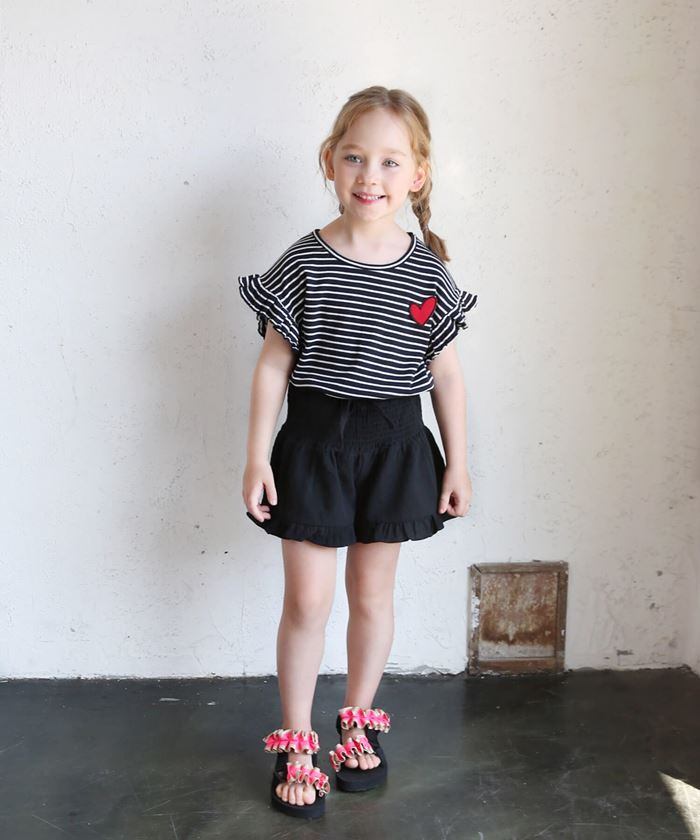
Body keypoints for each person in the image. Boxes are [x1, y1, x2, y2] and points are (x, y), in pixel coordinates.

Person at [238, 85, 478, 819]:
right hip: (313, 446)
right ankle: (297, 739)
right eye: (354, 157)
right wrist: (256, 457)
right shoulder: (304, 262)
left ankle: (358, 720)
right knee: (308, 601)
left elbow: (445, 372)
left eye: (389, 161)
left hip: (395, 447)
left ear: (418, 175)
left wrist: (458, 461)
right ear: (329, 163)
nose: (370, 176)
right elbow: (273, 365)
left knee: (372, 596)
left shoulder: (427, 271)